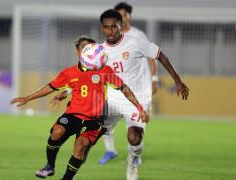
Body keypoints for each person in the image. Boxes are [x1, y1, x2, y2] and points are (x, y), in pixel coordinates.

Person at [11, 39, 148, 180]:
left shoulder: (104, 70)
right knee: (57, 132)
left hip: (94, 120)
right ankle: (50, 166)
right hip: (73, 115)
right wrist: (28, 97)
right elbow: (51, 86)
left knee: (80, 146)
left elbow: (123, 88)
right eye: (82, 47)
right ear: (79, 52)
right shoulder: (69, 72)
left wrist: (139, 108)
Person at [99, 9, 189, 180]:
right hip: (114, 97)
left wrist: (177, 80)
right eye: (106, 27)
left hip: (138, 97)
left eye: (114, 27)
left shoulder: (136, 42)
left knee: (134, 137)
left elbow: (159, 55)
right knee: (91, 133)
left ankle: (132, 163)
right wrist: (68, 91)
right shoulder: (99, 51)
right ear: (102, 28)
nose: (110, 31)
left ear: (120, 25)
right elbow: (86, 74)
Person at [98, 2, 159, 165]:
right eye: (120, 15)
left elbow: (151, 56)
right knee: (104, 121)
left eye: (125, 15)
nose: (123, 18)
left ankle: (135, 155)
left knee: (133, 128)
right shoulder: (108, 41)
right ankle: (110, 151)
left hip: (137, 89)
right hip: (115, 89)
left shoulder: (138, 36)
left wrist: (154, 79)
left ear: (128, 16)